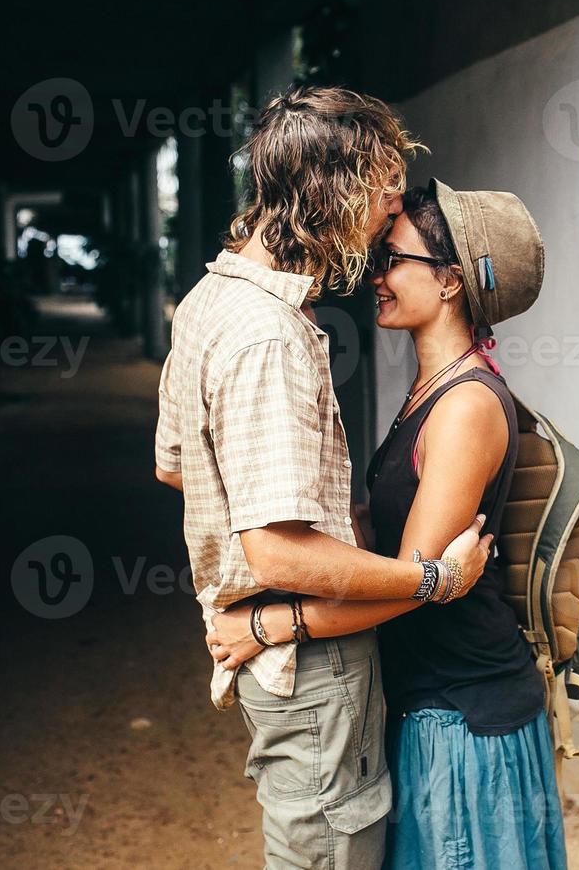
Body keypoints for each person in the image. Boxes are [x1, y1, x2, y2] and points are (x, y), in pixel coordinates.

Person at [155, 87, 494, 870]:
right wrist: (432, 577)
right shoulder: (269, 336)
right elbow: (274, 551)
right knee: (330, 848)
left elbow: (174, 466)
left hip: (274, 649)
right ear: (334, 195)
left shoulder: (211, 299)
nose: (390, 209)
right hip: (310, 662)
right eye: (381, 189)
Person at [207, 179, 568, 869]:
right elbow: (414, 560)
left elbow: (415, 585)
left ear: (452, 281)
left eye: (393, 260)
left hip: (463, 718)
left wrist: (268, 627)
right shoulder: (431, 391)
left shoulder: (465, 407)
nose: (375, 273)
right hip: (429, 708)